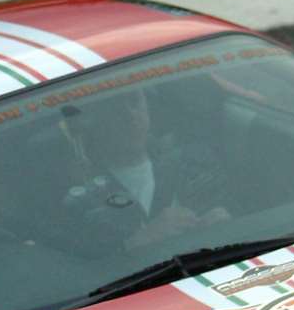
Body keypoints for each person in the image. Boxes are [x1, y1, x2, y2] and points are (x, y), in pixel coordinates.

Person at [58, 88, 229, 252]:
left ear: (148, 107)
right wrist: (139, 241)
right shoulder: (79, 200)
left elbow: (245, 217)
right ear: (94, 120)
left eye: (135, 102)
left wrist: (224, 222)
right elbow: (83, 271)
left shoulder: (194, 163)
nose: (130, 115)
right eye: (115, 109)